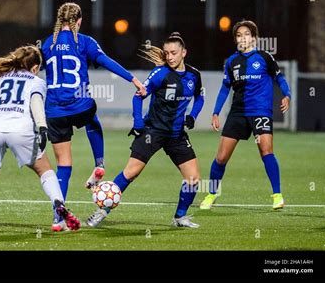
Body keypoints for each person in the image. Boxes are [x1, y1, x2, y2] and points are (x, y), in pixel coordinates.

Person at [41, 2, 146, 231]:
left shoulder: (48, 43)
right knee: (92, 119)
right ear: (79, 21)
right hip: (80, 104)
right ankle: (99, 162)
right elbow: (107, 62)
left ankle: (57, 219)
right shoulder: (84, 41)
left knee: (63, 167)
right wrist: (133, 79)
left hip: (54, 110)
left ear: (60, 21)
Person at [0, 45, 81, 233]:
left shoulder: (0, 80)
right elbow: (36, 103)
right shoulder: (36, 81)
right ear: (35, 68)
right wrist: (42, 127)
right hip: (21, 130)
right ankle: (58, 203)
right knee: (45, 170)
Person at [86, 32, 205, 228]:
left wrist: (193, 116)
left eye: (174, 53)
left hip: (176, 135)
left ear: (184, 52)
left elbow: (199, 97)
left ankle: (179, 217)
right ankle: (101, 211)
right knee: (131, 173)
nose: (170, 57)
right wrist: (138, 123)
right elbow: (138, 96)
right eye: (166, 53)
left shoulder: (194, 75)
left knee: (193, 178)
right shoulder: (160, 74)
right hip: (153, 132)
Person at [199, 20, 291, 210]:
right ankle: (211, 194)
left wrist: (287, 95)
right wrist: (215, 112)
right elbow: (225, 88)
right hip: (238, 113)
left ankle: (277, 196)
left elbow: (279, 78)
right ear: (235, 40)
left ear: (254, 38)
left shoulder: (265, 57)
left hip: (260, 111)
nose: (243, 38)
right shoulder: (232, 62)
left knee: (266, 151)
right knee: (221, 158)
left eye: (246, 34)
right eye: (239, 35)